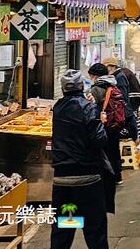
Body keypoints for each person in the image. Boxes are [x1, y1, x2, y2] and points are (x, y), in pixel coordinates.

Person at [51, 70, 114, 249]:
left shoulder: (57, 108)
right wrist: (99, 121)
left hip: (62, 180)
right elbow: (99, 140)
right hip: (87, 179)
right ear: (81, 86)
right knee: (94, 229)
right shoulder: (88, 108)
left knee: (64, 227)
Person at [88, 63, 126, 186]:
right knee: (114, 149)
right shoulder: (113, 85)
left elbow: (91, 108)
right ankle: (118, 176)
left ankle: (107, 178)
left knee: (104, 152)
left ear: (95, 76)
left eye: (91, 76)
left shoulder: (96, 89)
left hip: (103, 125)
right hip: (114, 124)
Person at [102, 56, 139, 139]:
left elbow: (122, 96)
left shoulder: (119, 77)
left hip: (125, 114)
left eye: (106, 67)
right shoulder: (117, 76)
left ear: (113, 67)